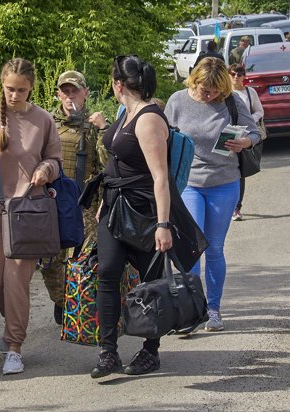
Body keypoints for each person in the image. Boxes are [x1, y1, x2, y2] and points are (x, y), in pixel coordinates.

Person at [0, 58, 62, 376]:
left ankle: (14, 346)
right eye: (9, 89)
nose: (14, 95)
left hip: (28, 212)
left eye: (21, 90)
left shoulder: (43, 120)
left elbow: (55, 159)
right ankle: (15, 325)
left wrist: (47, 169)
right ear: (1, 85)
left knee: (15, 281)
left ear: (31, 88)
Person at [164, 57, 260, 332]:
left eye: (217, 90)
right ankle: (191, 311)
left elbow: (255, 132)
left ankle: (213, 309)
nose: (212, 95)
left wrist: (245, 142)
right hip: (190, 182)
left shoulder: (231, 101)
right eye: (206, 89)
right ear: (195, 80)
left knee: (215, 248)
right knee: (192, 250)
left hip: (224, 182)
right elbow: (164, 136)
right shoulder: (178, 101)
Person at [92, 55, 172, 379]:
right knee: (107, 273)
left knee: (150, 283)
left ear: (118, 84)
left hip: (143, 213)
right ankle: (107, 352)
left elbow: (161, 177)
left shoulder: (149, 119)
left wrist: (164, 224)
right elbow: (117, 160)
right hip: (114, 208)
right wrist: (104, 199)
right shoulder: (126, 113)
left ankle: (150, 352)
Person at [40, 70, 109, 325]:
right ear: (58, 94)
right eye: (65, 91)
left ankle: (80, 302)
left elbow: (108, 164)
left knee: (84, 257)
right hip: (54, 202)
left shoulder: (95, 125)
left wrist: (103, 130)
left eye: (75, 91)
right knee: (51, 260)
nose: (70, 96)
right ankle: (62, 301)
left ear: (86, 93)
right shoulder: (47, 125)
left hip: (85, 203)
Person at [228, 63, 264, 221]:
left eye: (239, 74)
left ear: (244, 77)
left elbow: (259, 110)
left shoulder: (250, 92)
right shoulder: (224, 93)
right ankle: (226, 205)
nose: (236, 77)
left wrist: (249, 120)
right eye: (233, 74)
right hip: (228, 135)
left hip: (246, 137)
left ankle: (237, 207)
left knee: (240, 172)